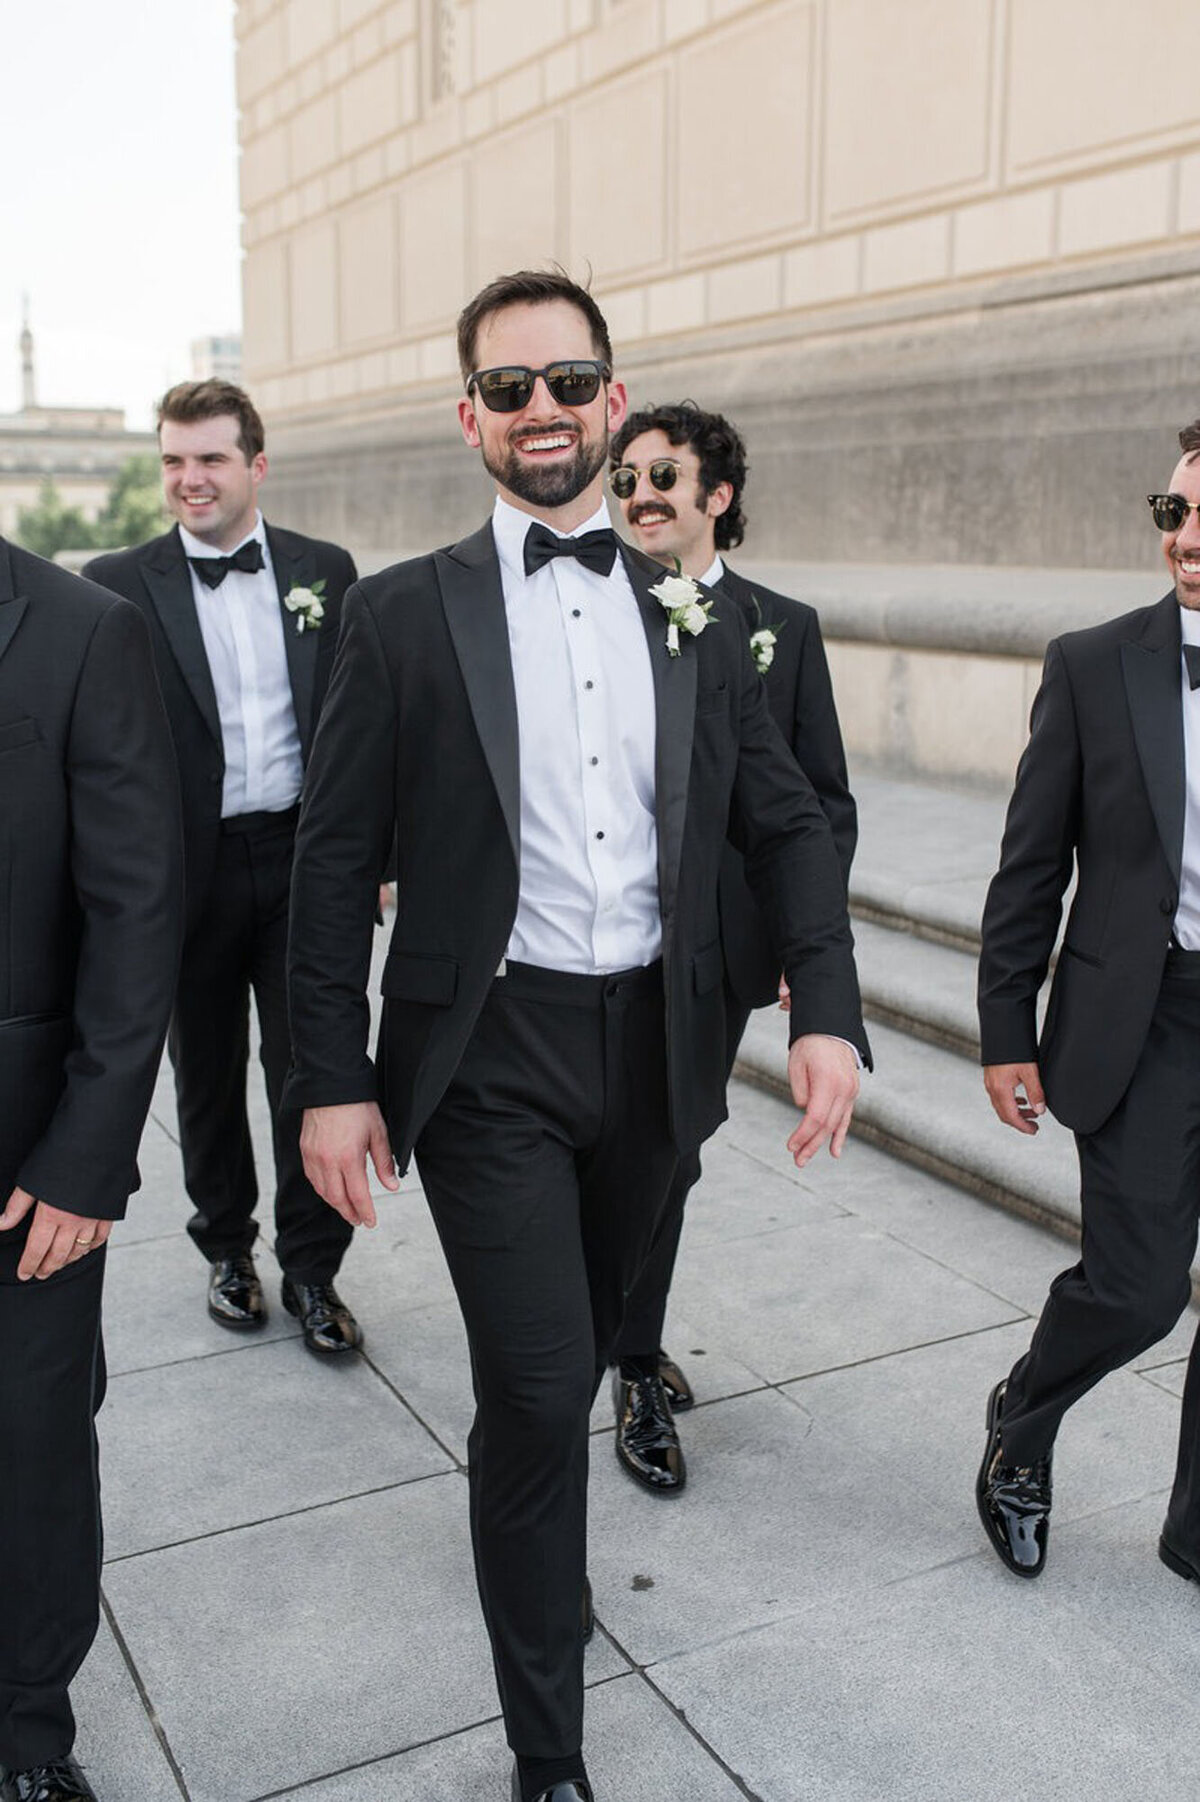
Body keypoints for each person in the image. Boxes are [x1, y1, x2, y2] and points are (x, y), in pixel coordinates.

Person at [286, 268, 868, 1802]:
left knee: (610, 1334)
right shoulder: (401, 614)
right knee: (539, 1393)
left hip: (660, 1045)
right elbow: (335, 858)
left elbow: (786, 815)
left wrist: (831, 1007)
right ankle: (552, 1750)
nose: (541, 409)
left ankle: (544, 1557)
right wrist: (330, 1078)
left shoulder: (700, 607)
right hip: (490, 1054)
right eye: (508, 387)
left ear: (616, 400)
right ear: (468, 414)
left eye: (570, 380)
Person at [606, 399, 857, 1494]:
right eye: (627, 476)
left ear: (719, 497)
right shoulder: (585, 608)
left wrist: (806, 957)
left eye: (665, 475)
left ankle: (630, 1359)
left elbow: (820, 810)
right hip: (593, 943)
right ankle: (590, 1335)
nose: (639, 492)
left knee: (668, 1151)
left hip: (717, 956)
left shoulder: (780, 625)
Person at [84, 381, 364, 1355]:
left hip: (303, 861)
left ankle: (316, 1270)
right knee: (202, 1073)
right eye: (173, 459)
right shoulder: (114, 580)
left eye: (208, 458)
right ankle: (227, 1247)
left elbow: (362, 726)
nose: (189, 478)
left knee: (313, 1072)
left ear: (256, 464)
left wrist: (375, 855)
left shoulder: (326, 570)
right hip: (183, 876)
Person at [977, 418, 1200, 1581]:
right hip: (1145, 1013)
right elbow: (1029, 865)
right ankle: (1024, 1415)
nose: (1187, 538)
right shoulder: (1093, 662)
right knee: (1140, 1284)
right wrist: (1006, 1026)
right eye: (1173, 513)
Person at [0, 538, 182, 1802]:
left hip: (25, 1154)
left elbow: (138, 911)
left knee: (32, 1445)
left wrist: (87, 1161)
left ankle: (27, 1736)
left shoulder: (84, 629)